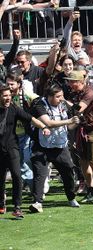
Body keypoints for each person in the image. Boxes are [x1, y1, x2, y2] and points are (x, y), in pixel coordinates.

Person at [29, 85, 82, 213]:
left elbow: (68, 128)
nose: (61, 99)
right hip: (42, 146)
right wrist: (69, 120)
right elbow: (48, 123)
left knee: (68, 171)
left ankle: (71, 198)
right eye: (58, 96)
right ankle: (37, 202)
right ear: (50, 96)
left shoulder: (63, 105)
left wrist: (76, 121)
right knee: (40, 174)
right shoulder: (39, 105)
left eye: (62, 96)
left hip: (60, 146)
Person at [0, 85, 50, 219]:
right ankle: (1, 204)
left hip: (12, 147)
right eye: (4, 95)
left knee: (17, 175)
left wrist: (44, 127)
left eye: (9, 95)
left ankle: (17, 207)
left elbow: (30, 118)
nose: (8, 98)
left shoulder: (14, 108)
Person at [67, 70, 93, 202]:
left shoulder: (90, 92)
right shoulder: (75, 93)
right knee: (83, 161)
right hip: (81, 129)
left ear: (81, 82)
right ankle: (90, 189)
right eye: (69, 81)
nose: (70, 84)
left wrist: (63, 101)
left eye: (73, 82)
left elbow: (78, 108)